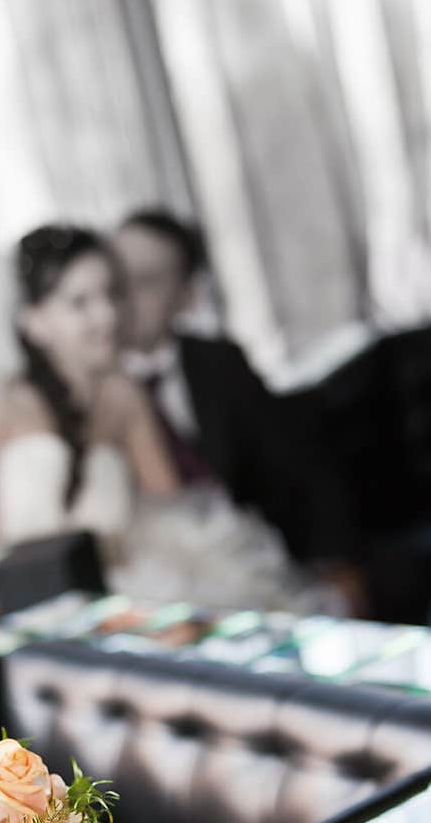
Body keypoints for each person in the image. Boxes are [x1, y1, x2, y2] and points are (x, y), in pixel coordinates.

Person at [0, 224, 334, 613]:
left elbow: (177, 512)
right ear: (32, 321)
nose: (107, 315)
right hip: (29, 610)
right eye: (80, 303)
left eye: (110, 295)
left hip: (124, 602)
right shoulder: (0, 403)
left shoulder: (125, 395)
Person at [113, 208, 367, 615]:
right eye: (116, 277)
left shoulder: (219, 364)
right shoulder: (88, 390)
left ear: (186, 294)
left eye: (146, 281)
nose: (123, 298)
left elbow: (297, 468)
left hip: (250, 568)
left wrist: (336, 562)